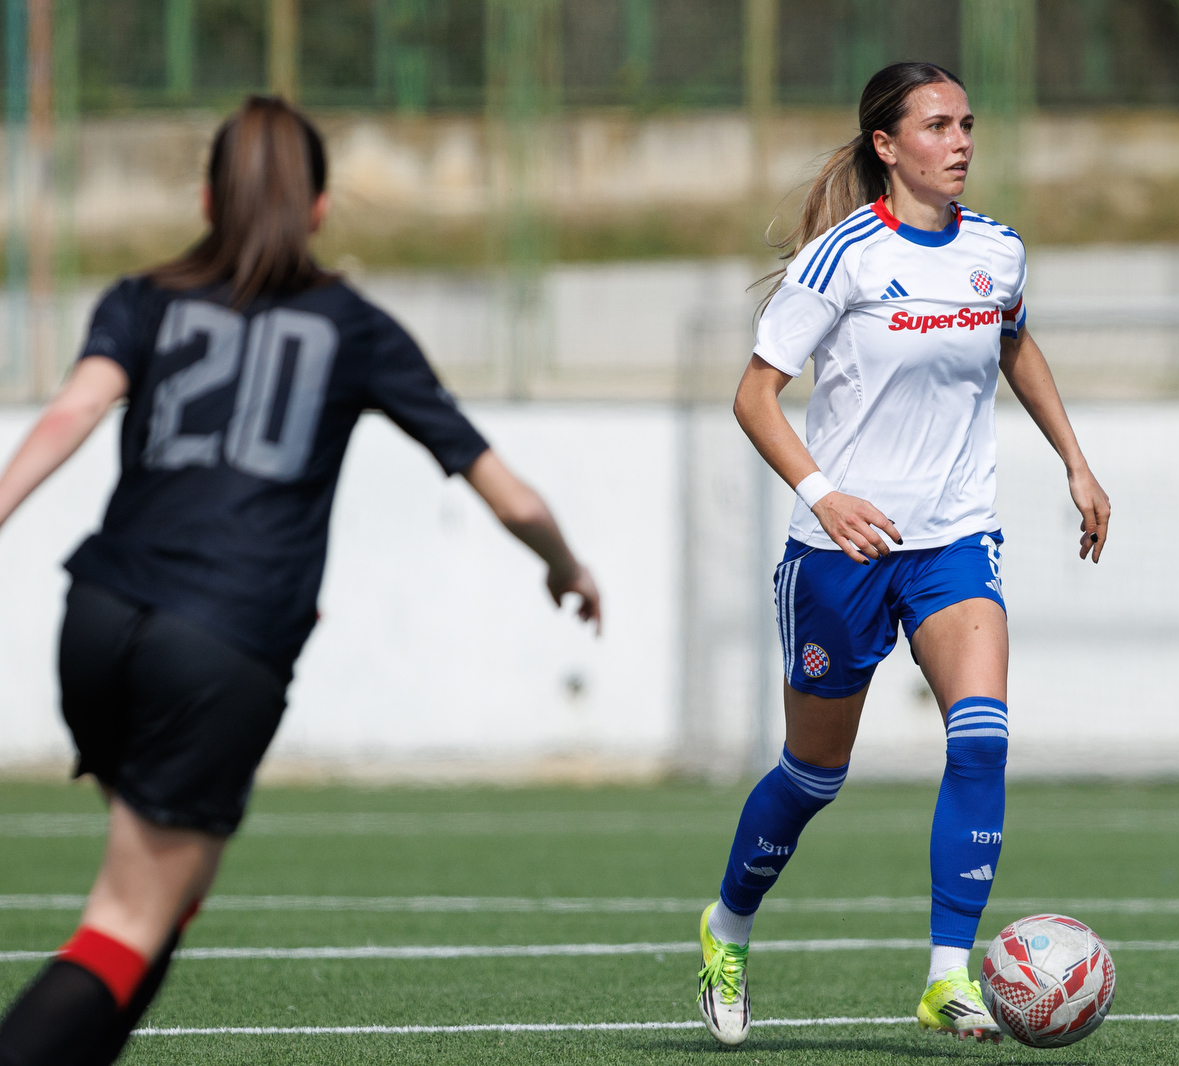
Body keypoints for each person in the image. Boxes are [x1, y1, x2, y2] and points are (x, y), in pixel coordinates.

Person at [0, 96, 600, 1066]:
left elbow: (70, 415)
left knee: (159, 896)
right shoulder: (355, 327)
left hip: (99, 619)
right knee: (124, 917)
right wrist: (565, 567)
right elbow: (512, 494)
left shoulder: (141, 297)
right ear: (320, 208)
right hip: (220, 641)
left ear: (206, 197)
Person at [695, 63, 1111, 1046]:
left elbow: (1014, 342)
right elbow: (755, 395)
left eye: (967, 122)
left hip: (954, 541)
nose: (960, 141)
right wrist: (822, 495)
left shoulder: (996, 251)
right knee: (813, 774)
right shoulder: (839, 257)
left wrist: (1075, 460)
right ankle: (727, 925)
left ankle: (945, 973)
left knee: (980, 738)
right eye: (936, 125)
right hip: (837, 553)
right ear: (887, 145)